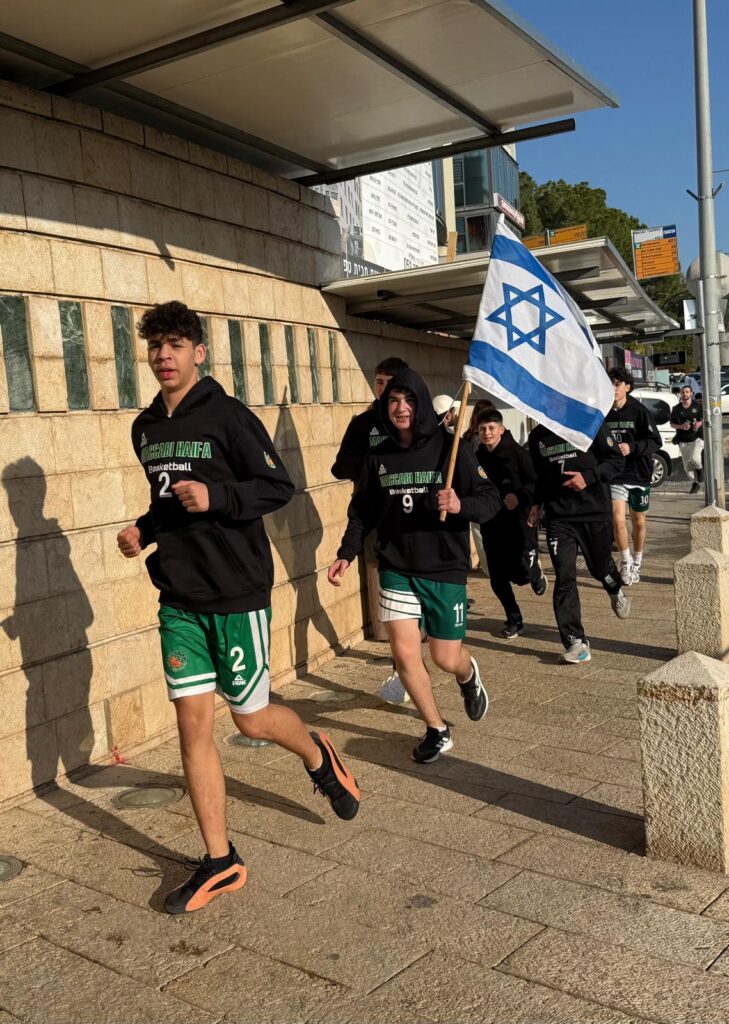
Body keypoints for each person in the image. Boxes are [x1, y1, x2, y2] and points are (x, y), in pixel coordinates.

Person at [117, 301, 360, 915]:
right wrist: (145, 528)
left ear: (199, 351)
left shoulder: (229, 417)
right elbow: (171, 501)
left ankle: (317, 753)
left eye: (175, 345)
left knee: (249, 718)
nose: (163, 356)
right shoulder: (145, 428)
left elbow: (279, 487)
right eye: (155, 347)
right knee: (193, 726)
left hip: (236, 592)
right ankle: (220, 860)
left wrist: (219, 494)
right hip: (178, 596)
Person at [328, 369, 501, 762]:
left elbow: (489, 498)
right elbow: (363, 511)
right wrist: (346, 552)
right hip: (396, 568)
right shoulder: (379, 455)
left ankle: (467, 673)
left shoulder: (450, 446)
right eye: (393, 400)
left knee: (443, 657)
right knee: (405, 655)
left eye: (408, 400)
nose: (401, 408)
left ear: (421, 403)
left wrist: (460, 506)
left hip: (443, 568)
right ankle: (436, 729)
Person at [331, 356, 410, 705]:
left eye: (390, 382)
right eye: (379, 382)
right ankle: (403, 669)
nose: (383, 388)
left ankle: (415, 657)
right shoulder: (363, 424)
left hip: (413, 520)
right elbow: (340, 465)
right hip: (374, 514)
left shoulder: (414, 422)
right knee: (392, 599)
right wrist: (372, 464)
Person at [528, 421, 630, 664]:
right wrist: (536, 503)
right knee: (564, 576)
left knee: (600, 568)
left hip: (593, 512)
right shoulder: (538, 436)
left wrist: (588, 477)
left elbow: (616, 461)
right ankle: (575, 640)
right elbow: (539, 476)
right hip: (559, 517)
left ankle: (614, 588)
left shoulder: (589, 423)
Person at [476, 410, 547, 639]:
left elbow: (535, 483)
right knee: (497, 576)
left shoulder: (517, 453)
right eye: (483, 429)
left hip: (519, 519)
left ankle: (535, 574)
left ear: (501, 429)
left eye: (491, 428)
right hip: (491, 521)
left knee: (522, 571)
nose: (487, 433)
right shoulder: (478, 455)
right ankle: (514, 619)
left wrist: (520, 496)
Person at [605, 368, 661, 585]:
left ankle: (637, 561)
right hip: (616, 475)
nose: (613, 388)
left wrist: (632, 447)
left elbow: (655, 441)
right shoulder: (605, 413)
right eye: (610, 384)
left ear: (627, 387)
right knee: (617, 518)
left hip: (638, 474)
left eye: (617, 384)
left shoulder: (639, 411)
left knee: (638, 521)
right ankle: (625, 562)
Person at [670, 384, 704, 494]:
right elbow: (672, 424)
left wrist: (698, 424)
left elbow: (702, 419)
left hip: (697, 438)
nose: (685, 394)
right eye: (683, 392)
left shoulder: (697, 406)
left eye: (687, 392)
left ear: (691, 393)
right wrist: (681, 426)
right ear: (680, 394)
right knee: (686, 466)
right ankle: (695, 483)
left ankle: (699, 469)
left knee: (694, 458)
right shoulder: (676, 409)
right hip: (683, 440)